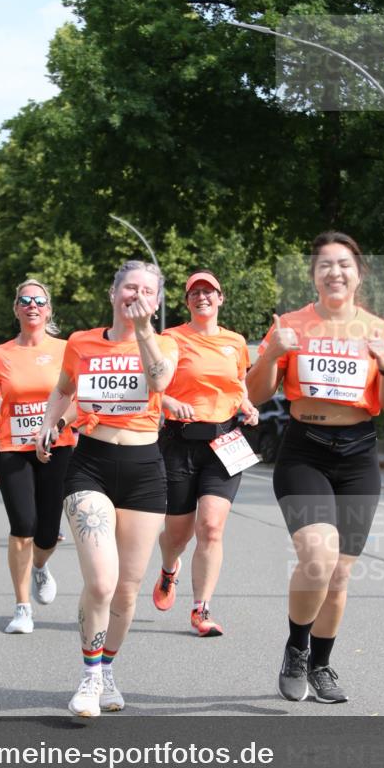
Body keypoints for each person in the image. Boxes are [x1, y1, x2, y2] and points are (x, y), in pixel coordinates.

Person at [247, 231, 384, 703]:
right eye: (324, 265)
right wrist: (274, 352)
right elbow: (256, 395)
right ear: (313, 275)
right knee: (317, 559)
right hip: (305, 451)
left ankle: (321, 665)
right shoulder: (291, 324)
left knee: (339, 574)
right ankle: (296, 649)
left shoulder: (381, 331)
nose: (335, 272)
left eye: (344, 265)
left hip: (359, 455)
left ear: (359, 274)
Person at [37, 260, 178, 718]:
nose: (136, 295)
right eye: (129, 287)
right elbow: (63, 389)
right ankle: (90, 676)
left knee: (126, 590)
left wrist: (143, 332)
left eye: (147, 291)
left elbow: (159, 382)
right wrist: (49, 423)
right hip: (91, 465)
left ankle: (109, 668)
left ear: (156, 302)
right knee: (100, 580)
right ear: (113, 293)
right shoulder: (81, 342)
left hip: (145, 469)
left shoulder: (166, 342)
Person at [152, 270, 259, 636]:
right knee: (178, 534)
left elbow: (239, 386)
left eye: (209, 292)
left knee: (211, 527)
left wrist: (248, 405)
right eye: (195, 293)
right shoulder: (171, 339)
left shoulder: (235, 341)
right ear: (187, 302)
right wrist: (169, 401)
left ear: (220, 298)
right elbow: (153, 387)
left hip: (225, 441)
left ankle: (201, 609)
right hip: (179, 441)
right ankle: (169, 569)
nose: (202, 297)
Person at [0, 279, 76, 635]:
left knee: (47, 533)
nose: (32, 305)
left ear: (48, 309)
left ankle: (39, 567)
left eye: (39, 300)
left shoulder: (68, 349)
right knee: (23, 526)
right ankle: (22, 608)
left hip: (57, 447)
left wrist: (57, 424)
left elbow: (78, 398)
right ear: (16, 309)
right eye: (25, 300)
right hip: (12, 450)